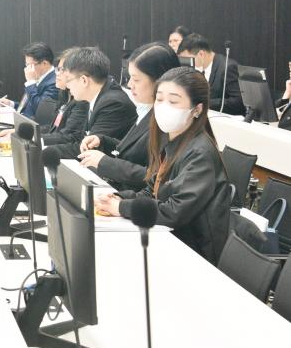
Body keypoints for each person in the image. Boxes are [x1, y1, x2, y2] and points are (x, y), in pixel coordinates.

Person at [95, 67, 231, 265]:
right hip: (169, 237)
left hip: (192, 253)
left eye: (173, 101)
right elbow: (152, 190)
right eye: (159, 99)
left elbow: (175, 212)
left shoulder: (200, 153)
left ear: (197, 110)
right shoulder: (173, 141)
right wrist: (118, 199)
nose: (164, 107)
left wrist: (122, 207)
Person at [77, 42, 180, 190]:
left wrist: (105, 162)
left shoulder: (169, 120)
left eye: (136, 79)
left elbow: (157, 177)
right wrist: (103, 141)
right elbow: (135, 150)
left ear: (160, 80)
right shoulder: (149, 110)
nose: (130, 84)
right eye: (130, 77)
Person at [46, 46, 136, 159]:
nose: (67, 86)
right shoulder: (98, 95)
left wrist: (43, 151)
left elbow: (89, 148)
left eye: (68, 80)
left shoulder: (113, 104)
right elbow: (80, 139)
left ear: (84, 80)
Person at [0, 49, 89, 146]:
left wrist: (30, 139)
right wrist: (19, 132)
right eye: (58, 69)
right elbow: (53, 127)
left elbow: (68, 136)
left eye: (62, 70)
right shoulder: (64, 94)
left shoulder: (80, 100)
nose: (57, 73)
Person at [176, 33, 244, 115]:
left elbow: (238, 101)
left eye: (188, 59)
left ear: (201, 54)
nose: (188, 64)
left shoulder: (228, 67)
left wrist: (205, 103)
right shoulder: (200, 69)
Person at [0, 42, 59, 119]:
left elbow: (41, 109)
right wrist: (11, 104)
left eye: (30, 65)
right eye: (26, 65)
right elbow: (30, 105)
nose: (27, 69)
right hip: (22, 118)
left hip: (33, 124)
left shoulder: (55, 82)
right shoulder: (38, 77)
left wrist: (30, 82)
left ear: (44, 63)